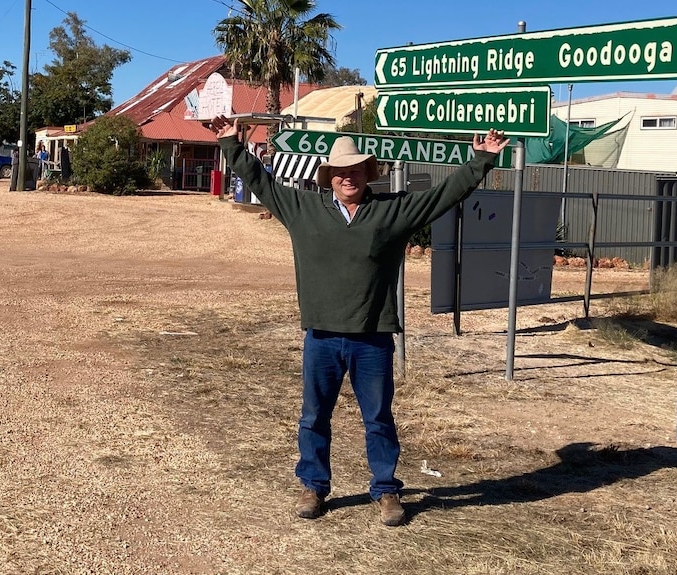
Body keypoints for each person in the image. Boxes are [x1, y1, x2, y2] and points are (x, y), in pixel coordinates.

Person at [210, 114, 509, 526]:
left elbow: (443, 196)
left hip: (372, 338)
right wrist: (230, 142)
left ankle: (385, 490)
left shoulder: (392, 212)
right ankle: (313, 486)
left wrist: (482, 160)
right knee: (314, 416)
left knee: (379, 418)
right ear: (329, 177)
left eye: (355, 171)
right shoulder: (301, 208)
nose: (348, 178)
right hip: (322, 336)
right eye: (340, 172)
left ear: (367, 174)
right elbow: (259, 180)